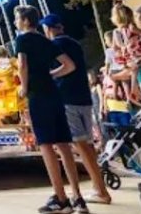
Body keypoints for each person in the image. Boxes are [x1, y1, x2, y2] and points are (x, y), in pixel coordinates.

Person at [40, 14, 112, 210]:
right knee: (86, 145)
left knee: (80, 145)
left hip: (67, 98)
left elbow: (66, 68)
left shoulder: (55, 45)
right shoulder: (74, 44)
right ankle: (99, 187)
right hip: (83, 98)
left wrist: (49, 76)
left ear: (49, 29)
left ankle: (101, 191)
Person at [15, 6, 80, 214]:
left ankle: (60, 197)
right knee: (64, 145)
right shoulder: (46, 41)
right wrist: (51, 74)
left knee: (45, 145)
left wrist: (24, 88)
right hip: (54, 93)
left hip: (37, 94)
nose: (16, 22)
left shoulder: (22, 39)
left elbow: (22, 65)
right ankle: (76, 196)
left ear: (25, 21)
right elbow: (69, 65)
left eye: (17, 18)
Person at [108, 3, 141, 105]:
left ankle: (131, 95)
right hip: (137, 54)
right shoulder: (131, 27)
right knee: (135, 69)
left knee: (132, 71)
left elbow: (114, 48)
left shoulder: (116, 32)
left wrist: (121, 52)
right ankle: (134, 92)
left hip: (128, 58)